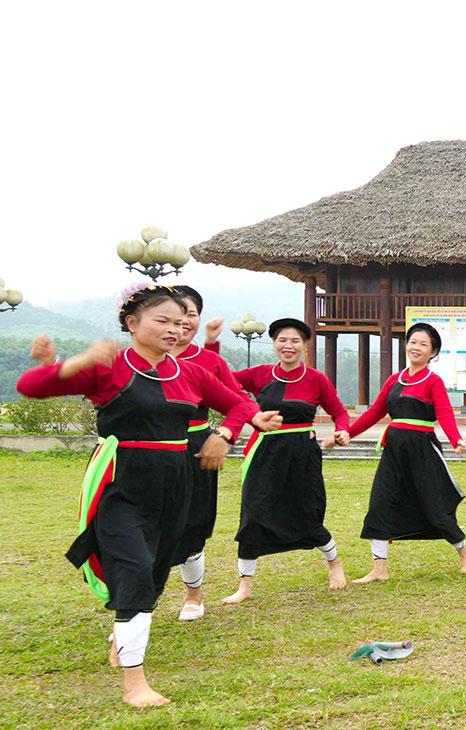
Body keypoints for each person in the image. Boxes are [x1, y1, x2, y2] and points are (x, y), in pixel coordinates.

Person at [17, 284, 276, 708]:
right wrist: (77, 363)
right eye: (163, 321)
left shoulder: (189, 372)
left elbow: (239, 405)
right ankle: (135, 683)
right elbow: (30, 386)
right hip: (122, 482)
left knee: (154, 572)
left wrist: (223, 434)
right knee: (134, 567)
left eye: (180, 322)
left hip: (175, 484)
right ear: (132, 323)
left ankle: (125, 636)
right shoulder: (109, 366)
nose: (175, 329)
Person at [326, 322, 466, 577]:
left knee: (434, 507)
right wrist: (347, 433)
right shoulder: (395, 379)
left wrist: (456, 439)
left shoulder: (433, 381)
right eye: (413, 342)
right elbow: (375, 412)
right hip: (393, 450)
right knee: (380, 504)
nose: (416, 347)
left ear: (433, 353)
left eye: (423, 344)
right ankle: (379, 568)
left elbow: (445, 413)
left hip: (422, 450)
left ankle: (465, 552)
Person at [221, 318, 352, 605]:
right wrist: (209, 345)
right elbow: (220, 382)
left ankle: (334, 563)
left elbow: (339, 412)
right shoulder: (259, 374)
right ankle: (245, 585)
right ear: (274, 343)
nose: (288, 346)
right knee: (254, 513)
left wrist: (342, 430)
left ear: (305, 346)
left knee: (308, 511)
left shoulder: (316, 379)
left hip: (302, 454)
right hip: (265, 453)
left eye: (295, 341)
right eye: (282, 340)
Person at [167, 286, 255, 621]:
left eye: (190, 314)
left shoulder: (206, 361)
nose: (182, 322)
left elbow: (238, 400)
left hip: (196, 447)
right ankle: (133, 610)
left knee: (193, 523)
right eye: (175, 315)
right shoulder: (136, 361)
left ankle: (194, 595)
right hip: (149, 451)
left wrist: (228, 431)